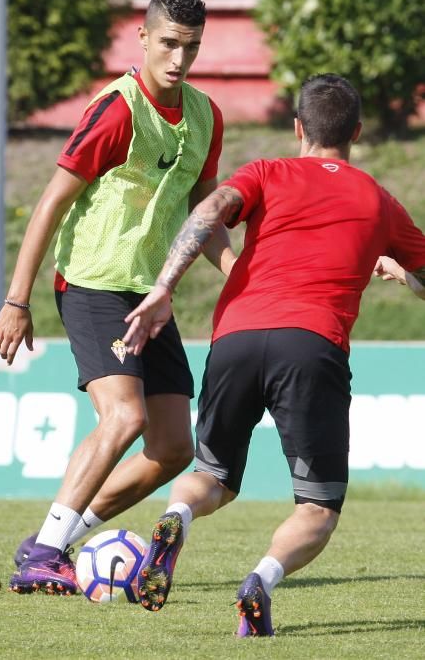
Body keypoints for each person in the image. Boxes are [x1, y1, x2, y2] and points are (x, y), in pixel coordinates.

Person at [122, 73, 425, 636]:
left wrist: (165, 286)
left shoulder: (267, 171)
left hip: (235, 337)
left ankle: (175, 517)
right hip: (311, 346)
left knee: (211, 474)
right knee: (317, 508)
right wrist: (404, 272)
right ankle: (260, 579)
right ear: (356, 132)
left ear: (297, 129)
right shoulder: (380, 201)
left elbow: (211, 208)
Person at [0, 0, 235, 595]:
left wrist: (244, 274)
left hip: (148, 296)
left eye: (192, 48)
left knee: (175, 446)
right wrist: (16, 301)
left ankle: (57, 540)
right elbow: (49, 205)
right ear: (144, 37)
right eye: (170, 44)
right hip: (94, 283)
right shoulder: (118, 109)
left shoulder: (206, 115)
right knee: (123, 416)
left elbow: (204, 212)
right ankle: (46, 550)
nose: (179, 60)